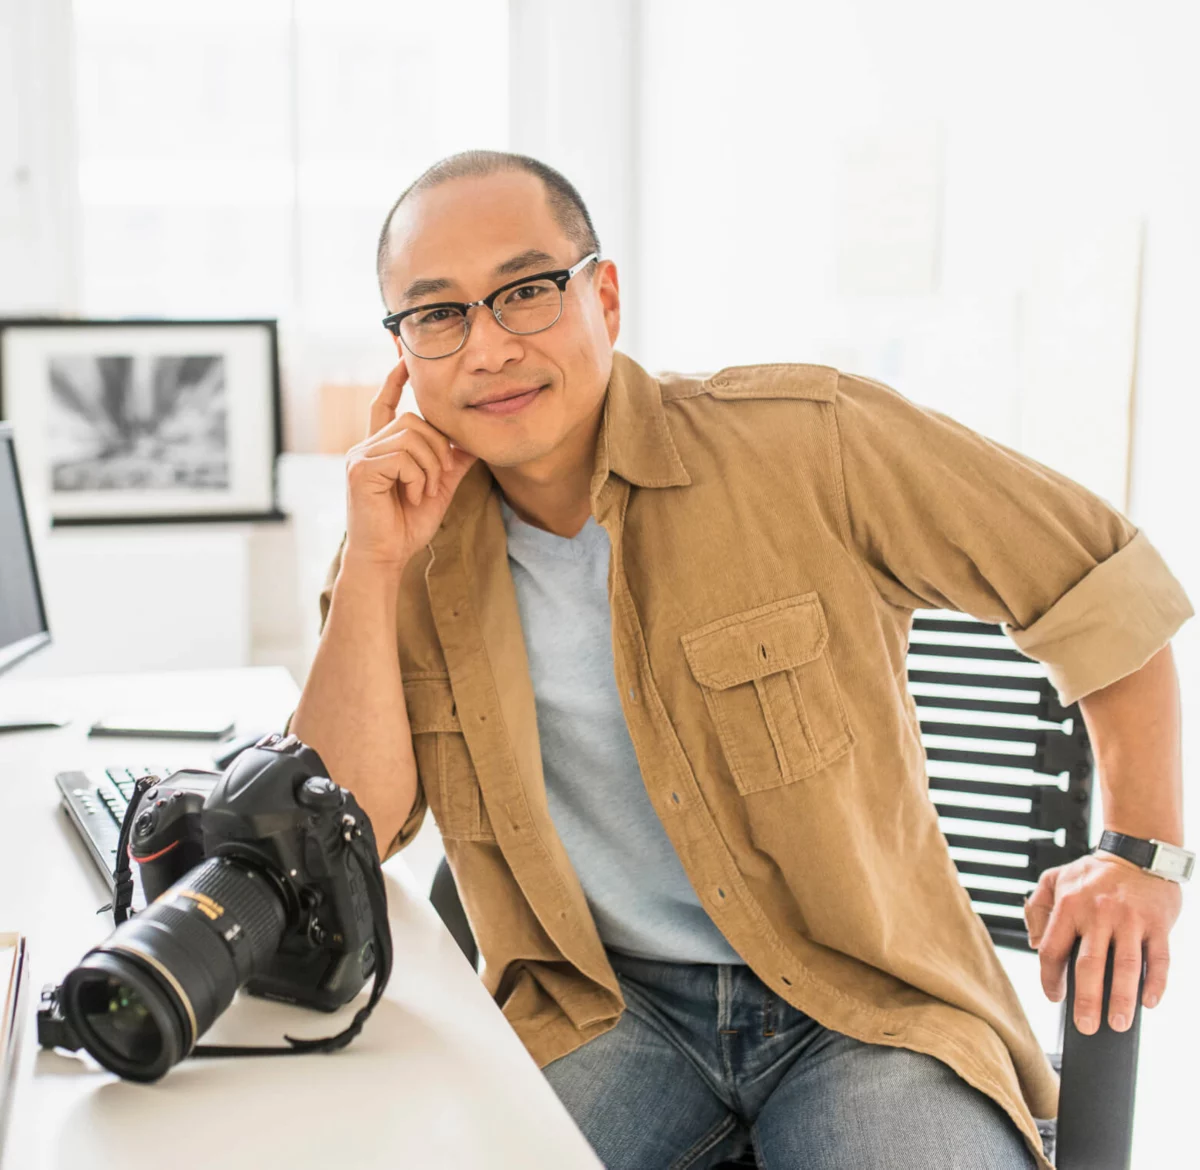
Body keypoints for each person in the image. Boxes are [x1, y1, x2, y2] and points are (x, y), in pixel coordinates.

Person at [288, 150, 1193, 1170]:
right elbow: (341, 826)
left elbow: (1096, 581)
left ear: (605, 297)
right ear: (404, 352)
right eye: (438, 314)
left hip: (869, 1008)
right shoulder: (405, 535)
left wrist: (1141, 853)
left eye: (528, 292)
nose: (489, 346)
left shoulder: (807, 441)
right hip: (602, 1011)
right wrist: (371, 567)